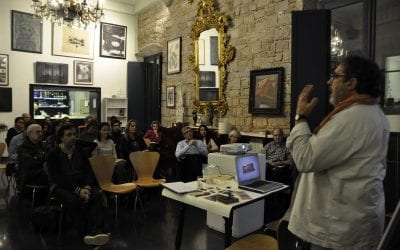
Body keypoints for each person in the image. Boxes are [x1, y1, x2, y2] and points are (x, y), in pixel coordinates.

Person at [286, 55, 390, 249]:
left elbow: (306, 159)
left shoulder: (353, 118)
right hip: (353, 219)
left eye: (335, 76)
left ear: (351, 82)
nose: (329, 82)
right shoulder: (374, 114)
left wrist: (300, 117)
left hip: (338, 228)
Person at [47, 124, 110, 246]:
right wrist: (78, 190)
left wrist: (86, 186)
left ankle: (98, 230)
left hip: (81, 184)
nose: (73, 137)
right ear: (61, 137)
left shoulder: (80, 151)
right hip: (61, 186)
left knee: (97, 195)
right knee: (74, 200)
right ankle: (85, 233)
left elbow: (88, 171)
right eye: (69, 135)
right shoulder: (53, 153)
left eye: (75, 134)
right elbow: (58, 178)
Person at [17, 123, 48, 199]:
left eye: (41, 132)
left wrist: (38, 158)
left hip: (41, 172)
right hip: (30, 176)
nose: (40, 134)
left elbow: (49, 158)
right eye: (37, 132)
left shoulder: (42, 145)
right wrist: (42, 160)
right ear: (29, 133)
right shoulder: (23, 148)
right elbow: (30, 163)